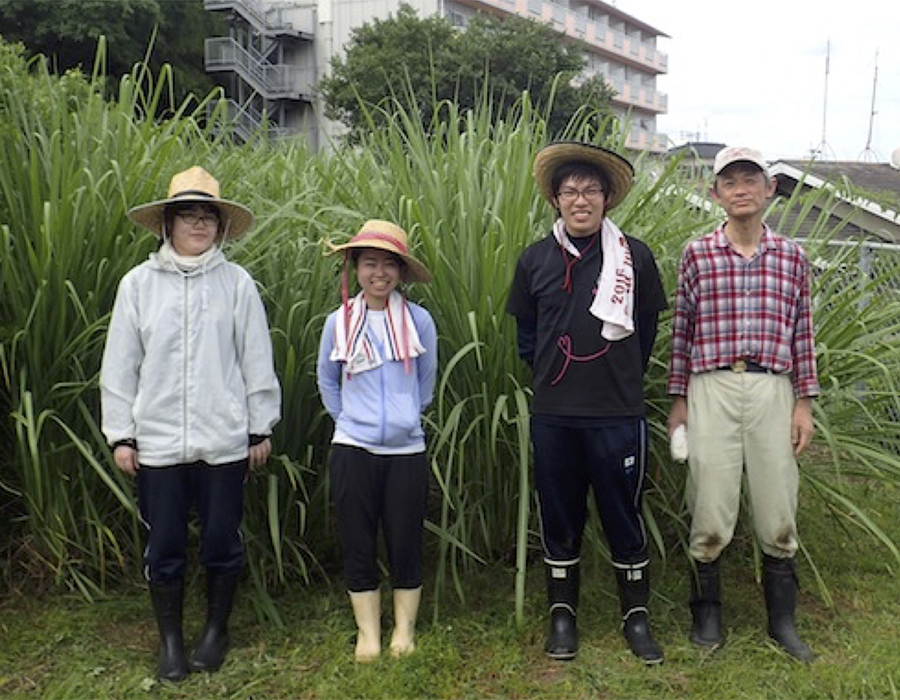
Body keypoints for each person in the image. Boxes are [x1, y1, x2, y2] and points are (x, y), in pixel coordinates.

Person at [100, 166, 281, 681]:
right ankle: (172, 641)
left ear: (220, 227)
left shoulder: (237, 284)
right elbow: (119, 365)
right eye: (188, 216)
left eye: (208, 217)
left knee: (223, 538)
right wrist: (122, 434)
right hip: (156, 441)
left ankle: (215, 631)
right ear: (168, 225)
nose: (199, 225)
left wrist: (258, 427)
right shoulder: (138, 286)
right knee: (167, 543)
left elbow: (255, 359)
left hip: (224, 440)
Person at [506, 142, 668, 664]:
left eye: (591, 190)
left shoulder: (634, 257)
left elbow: (645, 331)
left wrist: (615, 379)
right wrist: (556, 377)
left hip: (617, 413)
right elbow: (527, 337)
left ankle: (635, 616)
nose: (581, 199)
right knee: (559, 516)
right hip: (555, 413)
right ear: (556, 198)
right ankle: (562, 614)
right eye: (570, 191)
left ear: (606, 199)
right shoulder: (535, 259)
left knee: (624, 514)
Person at [666, 146, 819, 662]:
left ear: (770, 188)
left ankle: (782, 622)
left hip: (773, 388)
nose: (741, 188)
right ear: (715, 194)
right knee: (709, 502)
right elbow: (681, 331)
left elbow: (804, 334)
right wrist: (679, 400)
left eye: (750, 178)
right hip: (711, 386)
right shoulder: (697, 253)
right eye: (729, 180)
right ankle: (706, 616)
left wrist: (805, 404)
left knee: (778, 505)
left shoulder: (792, 257)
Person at [316, 220, 437, 662]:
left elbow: (426, 383)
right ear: (355, 268)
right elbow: (327, 380)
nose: (379, 273)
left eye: (389, 264)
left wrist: (406, 419)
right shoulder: (339, 322)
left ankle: (403, 629)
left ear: (401, 273)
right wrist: (350, 421)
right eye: (370, 263)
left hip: (406, 449)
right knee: (357, 537)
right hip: (353, 447)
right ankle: (367, 631)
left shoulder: (419, 321)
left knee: (405, 537)